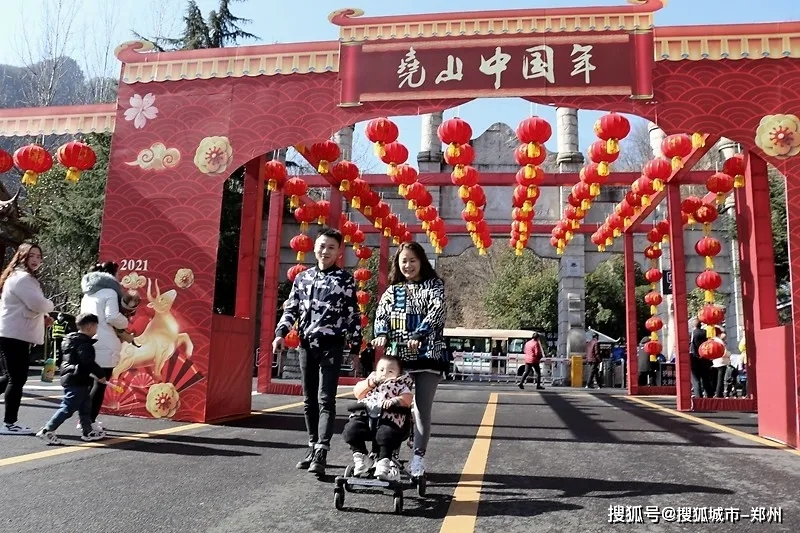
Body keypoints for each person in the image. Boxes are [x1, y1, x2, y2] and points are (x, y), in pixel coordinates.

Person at [273, 228, 361, 476]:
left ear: (339, 252)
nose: (326, 251)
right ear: (314, 248)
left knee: (326, 399)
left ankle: (322, 449)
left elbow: (352, 315)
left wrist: (355, 347)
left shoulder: (345, 280)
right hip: (306, 344)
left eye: (331, 247)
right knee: (309, 400)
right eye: (322, 246)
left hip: (332, 345)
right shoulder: (302, 279)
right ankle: (312, 446)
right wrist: (280, 333)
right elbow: (291, 309)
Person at [373, 241, 446, 479]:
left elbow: (437, 310)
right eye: (403, 261)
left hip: (427, 357)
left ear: (422, 261)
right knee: (393, 406)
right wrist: (381, 333)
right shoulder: (393, 290)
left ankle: (418, 458)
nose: (408, 265)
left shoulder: (434, 286)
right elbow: (381, 313)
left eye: (412, 260)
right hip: (399, 360)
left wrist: (419, 333)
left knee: (421, 410)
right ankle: (389, 455)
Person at [0, 243, 55, 435]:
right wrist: (48, 306)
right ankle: (9, 423)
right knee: (17, 379)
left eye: (39, 256)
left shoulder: (18, 276)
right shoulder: (23, 279)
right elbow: (38, 303)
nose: (36, 260)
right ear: (22, 256)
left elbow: (27, 308)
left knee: (10, 377)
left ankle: (9, 423)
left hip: (12, 333)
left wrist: (41, 317)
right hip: (15, 335)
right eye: (31, 255)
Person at [35, 313, 107, 445]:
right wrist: (100, 374)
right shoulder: (84, 344)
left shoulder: (73, 340)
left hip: (78, 378)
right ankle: (48, 430)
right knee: (68, 407)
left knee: (85, 406)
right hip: (76, 378)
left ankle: (88, 431)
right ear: (90, 327)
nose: (97, 330)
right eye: (96, 326)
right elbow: (87, 361)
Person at [342, 354, 413, 481]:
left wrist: (396, 401)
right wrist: (371, 382)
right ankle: (362, 458)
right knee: (351, 430)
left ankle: (383, 463)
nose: (384, 374)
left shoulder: (400, 385)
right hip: (367, 418)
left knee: (386, 434)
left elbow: (407, 398)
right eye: (381, 370)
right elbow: (357, 392)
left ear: (398, 374)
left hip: (390, 420)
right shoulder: (371, 383)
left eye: (390, 371)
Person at [80, 261, 129, 432]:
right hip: (106, 342)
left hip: (89, 341)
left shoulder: (88, 293)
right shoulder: (109, 291)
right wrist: (126, 322)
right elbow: (112, 316)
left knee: (90, 384)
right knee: (100, 384)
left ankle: (85, 420)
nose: (120, 277)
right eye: (119, 274)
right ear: (112, 275)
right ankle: (89, 422)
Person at [689, 318, 712, 397]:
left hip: (695, 359)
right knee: (706, 378)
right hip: (705, 358)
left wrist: (695, 355)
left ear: (693, 325)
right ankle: (709, 395)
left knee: (696, 380)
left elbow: (693, 346)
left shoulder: (693, 334)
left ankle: (698, 396)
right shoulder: (705, 333)